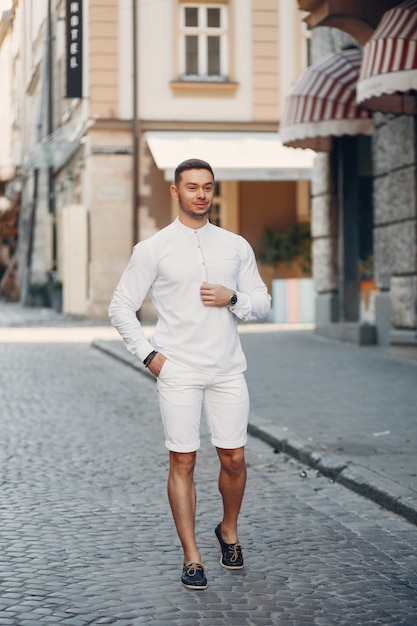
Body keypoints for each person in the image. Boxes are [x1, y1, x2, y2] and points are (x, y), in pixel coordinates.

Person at [109, 158, 271, 590]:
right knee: (183, 459)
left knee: (233, 460)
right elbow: (120, 306)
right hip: (177, 369)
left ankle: (228, 531)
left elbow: (263, 302)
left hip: (227, 369)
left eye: (208, 187)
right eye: (192, 187)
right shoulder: (153, 249)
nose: (201, 194)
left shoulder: (236, 245)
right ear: (175, 192)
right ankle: (192, 556)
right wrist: (149, 356)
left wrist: (232, 296)